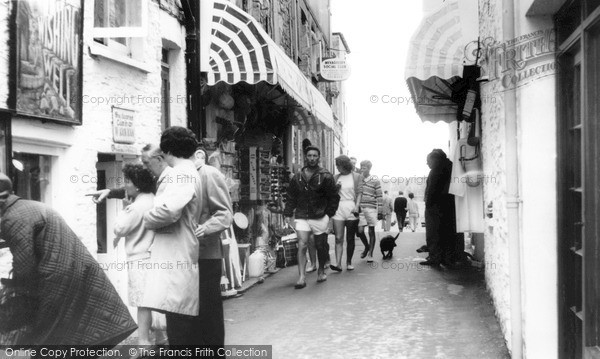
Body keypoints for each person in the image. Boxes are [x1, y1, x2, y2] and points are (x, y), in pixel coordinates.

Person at [0, 173, 137, 345]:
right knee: (76, 338)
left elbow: (24, 266)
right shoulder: (27, 206)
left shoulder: (12, 218)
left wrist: (16, 294)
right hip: (73, 271)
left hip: (57, 279)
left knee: (50, 340)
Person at [142, 127, 203, 344]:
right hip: (177, 251)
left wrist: (146, 218)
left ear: (168, 150)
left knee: (179, 327)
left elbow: (169, 210)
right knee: (178, 322)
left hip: (175, 253)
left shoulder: (181, 173)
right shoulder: (188, 171)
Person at [191, 146, 233, 347]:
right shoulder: (180, 176)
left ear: (198, 155)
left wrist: (205, 228)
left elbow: (225, 213)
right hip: (186, 257)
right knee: (191, 317)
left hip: (207, 254)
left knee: (209, 314)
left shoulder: (209, 174)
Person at [113, 163, 157, 347]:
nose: (125, 185)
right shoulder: (154, 200)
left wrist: (124, 208)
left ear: (137, 185)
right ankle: (160, 337)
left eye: (128, 181)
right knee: (154, 299)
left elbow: (119, 228)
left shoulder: (135, 207)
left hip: (139, 258)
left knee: (142, 301)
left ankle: (143, 341)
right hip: (154, 255)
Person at [284, 146, 340, 287]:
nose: (312, 158)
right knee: (302, 244)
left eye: (315, 155)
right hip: (302, 215)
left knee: (320, 246)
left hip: (320, 216)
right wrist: (288, 212)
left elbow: (334, 197)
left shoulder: (325, 176)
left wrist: (328, 215)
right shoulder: (298, 177)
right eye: (309, 155)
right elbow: (291, 196)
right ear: (305, 157)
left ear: (319, 157)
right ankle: (301, 277)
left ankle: (321, 271)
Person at [421, 149, 453, 266]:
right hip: (446, 206)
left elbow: (431, 190)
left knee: (433, 233)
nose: (427, 163)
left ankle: (434, 258)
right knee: (444, 233)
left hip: (435, 208)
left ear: (435, 160)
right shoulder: (449, 167)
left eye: (428, 161)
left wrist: (428, 205)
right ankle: (445, 258)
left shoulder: (436, 170)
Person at [330, 155, 363, 271]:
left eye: (338, 166)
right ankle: (338, 264)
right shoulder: (335, 177)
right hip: (338, 208)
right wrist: (335, 190)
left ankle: (348, 262)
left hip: (351, 207)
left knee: (350, 238)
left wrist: (357, 206)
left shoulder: (356, 177)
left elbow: (359, 193)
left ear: (344, 165)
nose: (337, 168)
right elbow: (331, 194)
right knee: (338, 237)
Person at [359, 160, 383, 263]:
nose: (362, 169)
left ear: (369, 169)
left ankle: (370, 254)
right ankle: (367, 246)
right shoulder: (358, 179)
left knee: (371, 231)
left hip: (371, 208)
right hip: (360, 208)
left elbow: (379, 195)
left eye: (364, 168)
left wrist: (380, 211)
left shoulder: (375, 180)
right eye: (361, 167)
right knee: (359, 231)